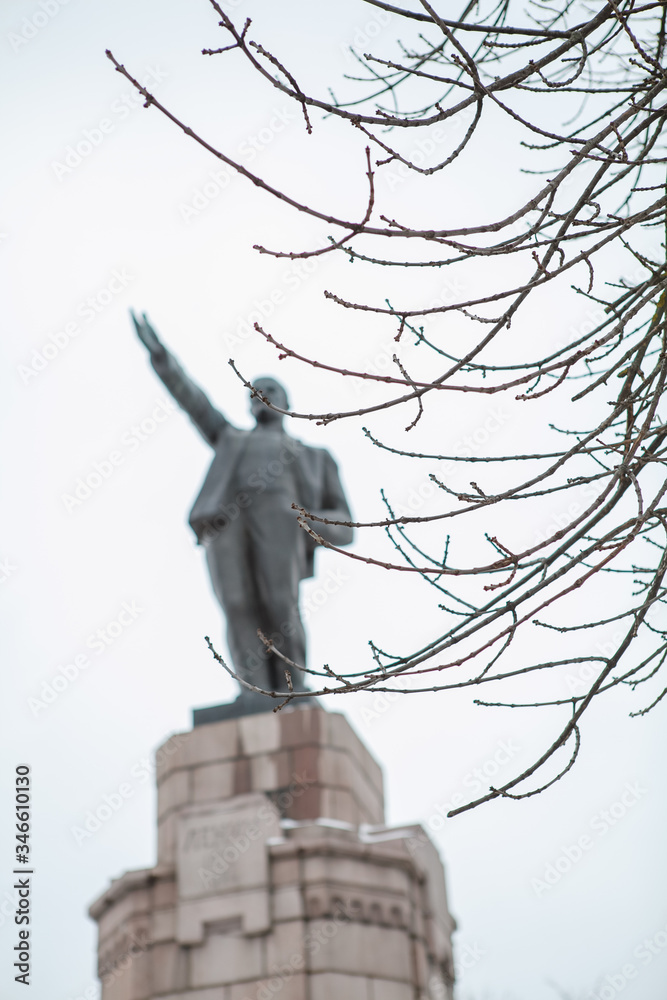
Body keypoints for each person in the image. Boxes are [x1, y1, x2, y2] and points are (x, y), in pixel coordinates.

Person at [131, 311, 353, 709]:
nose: (259, 395)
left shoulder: (314, 456)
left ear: (286, 403)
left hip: (282, 523)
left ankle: (292, 686)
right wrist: (162, 358)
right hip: (228, 525)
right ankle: (252, 690)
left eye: (268, 390)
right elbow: (194, 403)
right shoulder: (230, 439)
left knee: (278, 605)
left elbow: (346, 522)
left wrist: (305, 522)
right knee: (237, 605)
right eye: (253, 392)